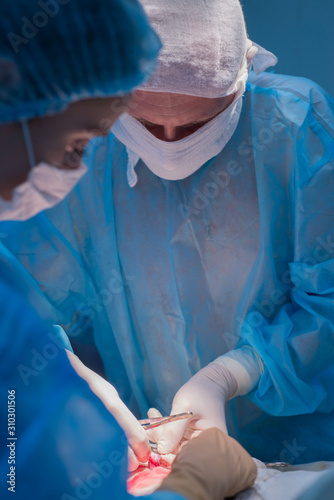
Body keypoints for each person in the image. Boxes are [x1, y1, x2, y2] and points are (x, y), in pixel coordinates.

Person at [1, 0, 333, 467]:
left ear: (240, 82)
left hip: (302, 456)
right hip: (155, 446)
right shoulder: (81, 149)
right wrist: (65, 372)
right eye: (147, 123)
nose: (170, 144)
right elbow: (24, 300)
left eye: (199, 124)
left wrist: (231, 374)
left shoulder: (296, 127)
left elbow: (330, 293)